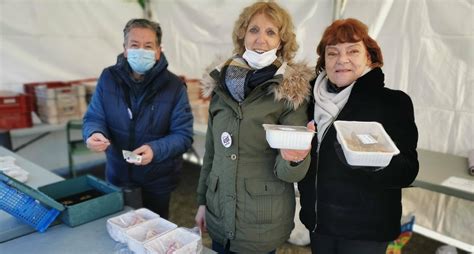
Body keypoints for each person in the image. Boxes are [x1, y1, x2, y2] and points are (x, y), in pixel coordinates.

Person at [194, 2, 314, 253]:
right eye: (254, 30)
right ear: (242, 34)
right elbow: (212, 153)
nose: (261, 39)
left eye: (271, 32)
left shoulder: (290, 92)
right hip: (218, 210)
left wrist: (294, 159)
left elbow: (289, 171)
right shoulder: (220, 84)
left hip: (261, 218)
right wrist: (203, 201)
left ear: (282, 41)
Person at [298, 18, 419, 254]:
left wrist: (373, 161)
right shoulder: (309, 100)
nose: (342, 59)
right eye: (332, 53)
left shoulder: (392, 103)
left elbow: (408, 171)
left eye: (353, 50)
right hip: (319, 224)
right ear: (325, 61)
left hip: (366, 232)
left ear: (369, 57)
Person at [83, 18, 193, 219]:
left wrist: (155, 150)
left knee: (154, 229)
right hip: (118, 173)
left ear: (158, 51)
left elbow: (183, 136)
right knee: (120, 226)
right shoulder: (108, 78)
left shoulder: (174, 86)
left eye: (148, 46)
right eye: (134, 45)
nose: (141, 50)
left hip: (158, 177)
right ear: (125, 49)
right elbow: (94, 116)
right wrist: (94, 132)